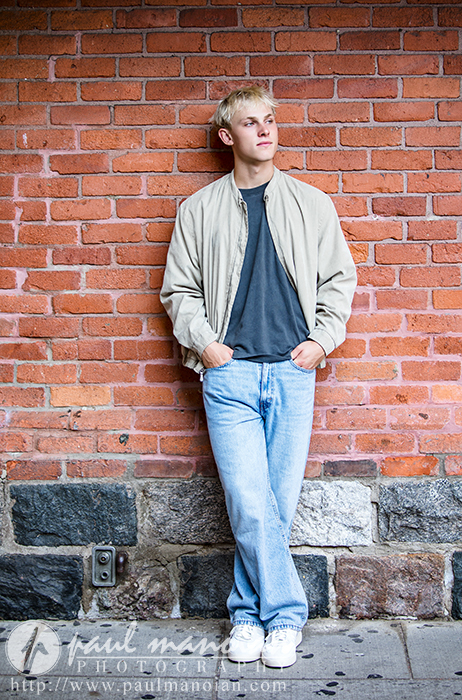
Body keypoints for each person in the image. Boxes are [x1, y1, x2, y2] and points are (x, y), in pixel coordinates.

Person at [161, 86, 357, 668]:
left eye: (270, 120)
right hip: (230, 375)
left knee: (278, 503)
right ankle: (286, 615)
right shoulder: (198, 210)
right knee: (249, 501)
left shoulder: (312, 204)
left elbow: (338, 281)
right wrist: (207, 346)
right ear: (228, 136)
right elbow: (178, 290)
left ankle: (249, 616)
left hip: (294, 374)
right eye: (251, 123)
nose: (265, 130)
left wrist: (321, 343)